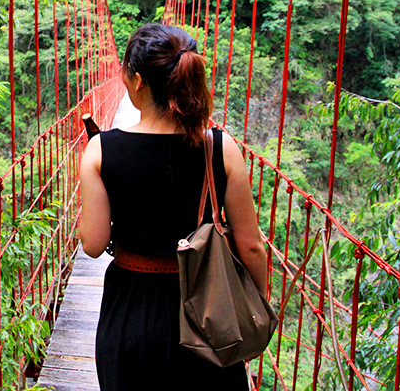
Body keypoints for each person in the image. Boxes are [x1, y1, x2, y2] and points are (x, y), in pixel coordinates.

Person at [79, 23, 267, 390]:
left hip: (130, 314)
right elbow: (252, 246)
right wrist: (255, 309)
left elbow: (93, 243)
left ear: (135, 81)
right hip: (211, 314)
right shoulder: (220, 146)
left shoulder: (100, 150)